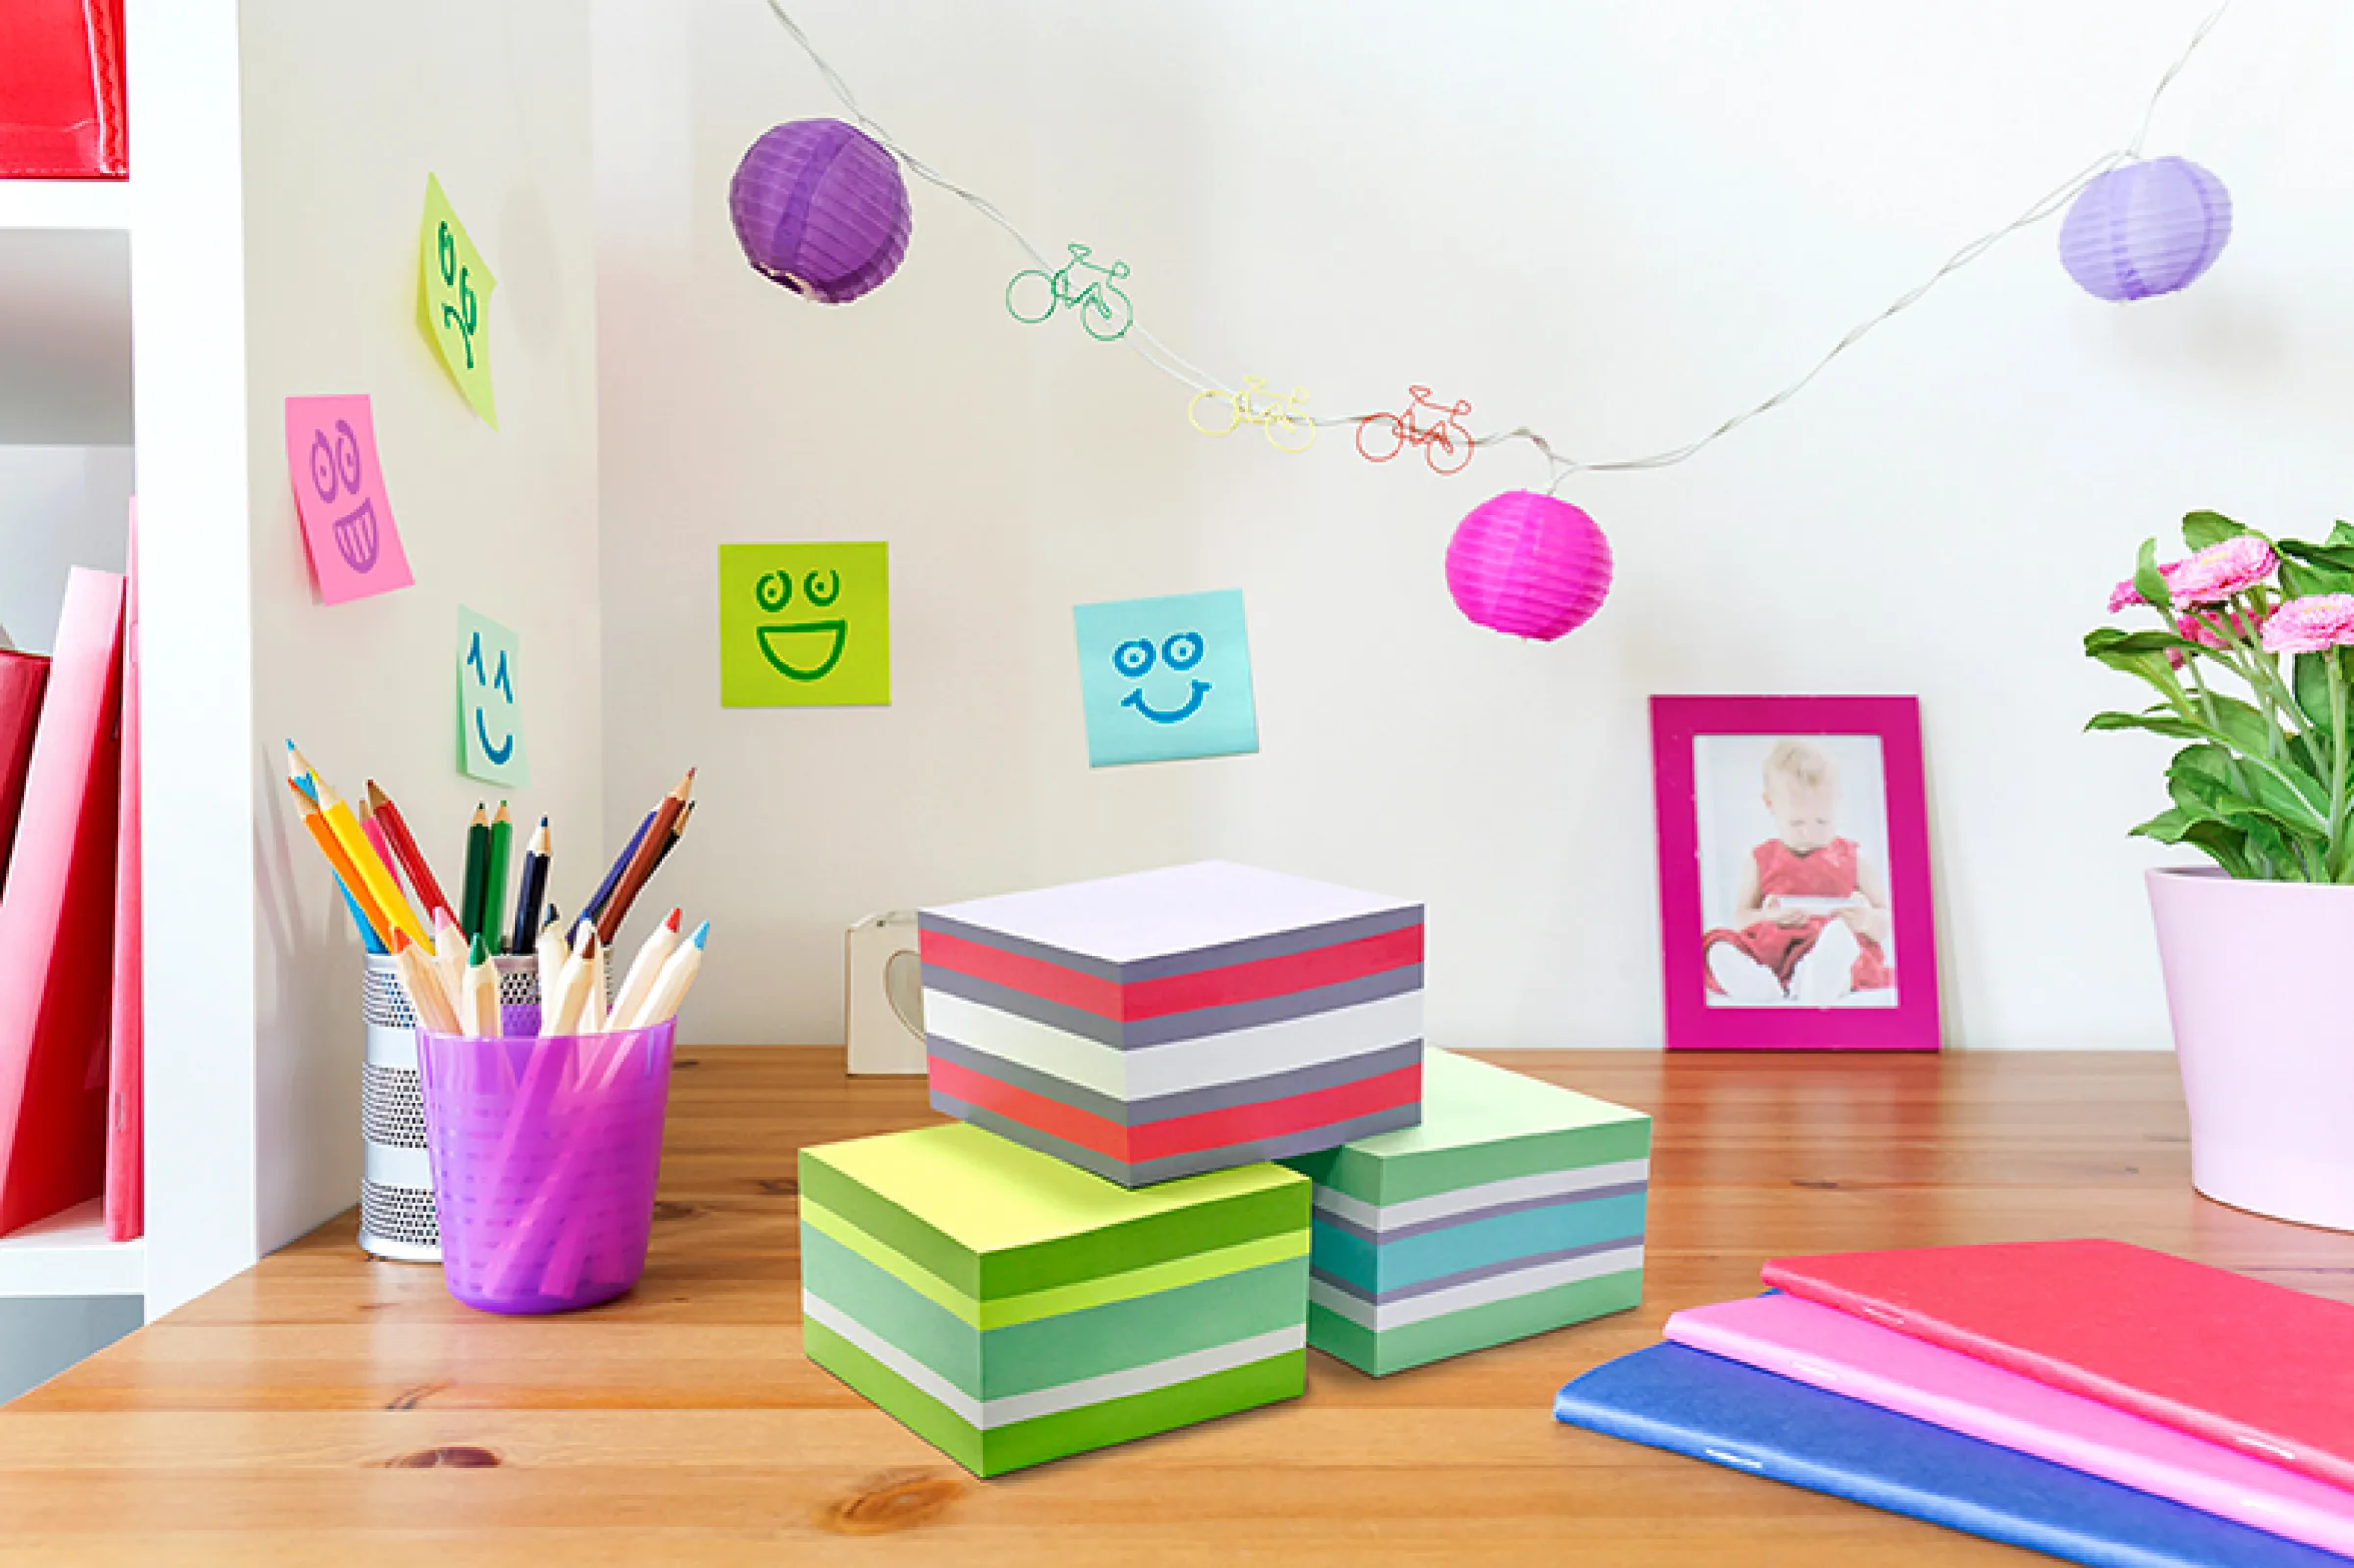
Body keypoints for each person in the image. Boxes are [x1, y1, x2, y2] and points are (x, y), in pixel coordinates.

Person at [1703, 739, 1893, 1005]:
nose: (1809, 832)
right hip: (1774, 954)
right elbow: (1741, 919)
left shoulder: (1853, 857)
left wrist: (1864, 921)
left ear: (1836, 801)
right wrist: (1769, 917)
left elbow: (1886, 920)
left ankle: (1816, 981)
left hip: (1829, 946)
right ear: (1770, 805)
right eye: (1797, 822)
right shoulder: (1761, 858)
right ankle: (1756, 985)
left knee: (1841, 945)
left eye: (1822, 821)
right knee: (1717, 946)